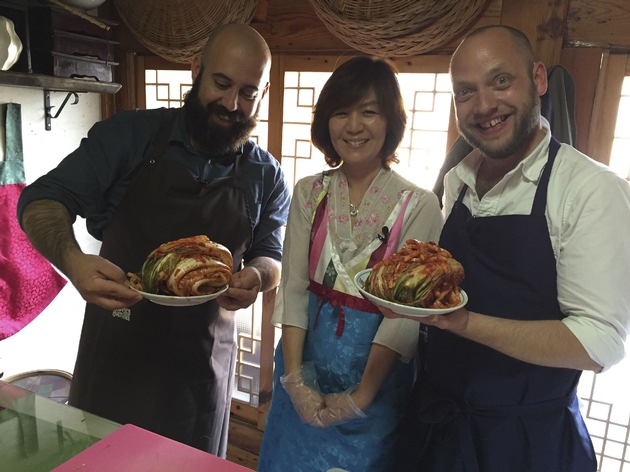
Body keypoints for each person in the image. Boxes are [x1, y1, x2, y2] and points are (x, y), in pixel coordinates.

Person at [16, 23, 291, 458]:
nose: (231, 104)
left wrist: (258, 276)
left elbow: (271, 254)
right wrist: (73, 262)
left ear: (264, 92)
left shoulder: (266, 174)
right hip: (118, 361)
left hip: (202, 373)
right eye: (221, 84)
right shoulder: (130, 136)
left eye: (248, 92)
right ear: (196, 68)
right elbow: (41, 200)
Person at [386, 25, 630, 471]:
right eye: (465, 92)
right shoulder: (458, 180)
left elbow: (598, 343)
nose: (483, 106)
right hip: (435, 424)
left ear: (538, 79)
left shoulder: (589, 189)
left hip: (524, 441)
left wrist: (462, 322)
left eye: (501, 81)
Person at [257, 56, 443, 471]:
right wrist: (295, 381)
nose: (354, 126)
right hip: (302, 368)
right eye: (341, 112)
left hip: (375, 389)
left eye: (369, 112)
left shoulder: (419, 205)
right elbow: (294, 289)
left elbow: (406, 316)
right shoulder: (309, 192)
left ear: (390, 121)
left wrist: (362, 396)